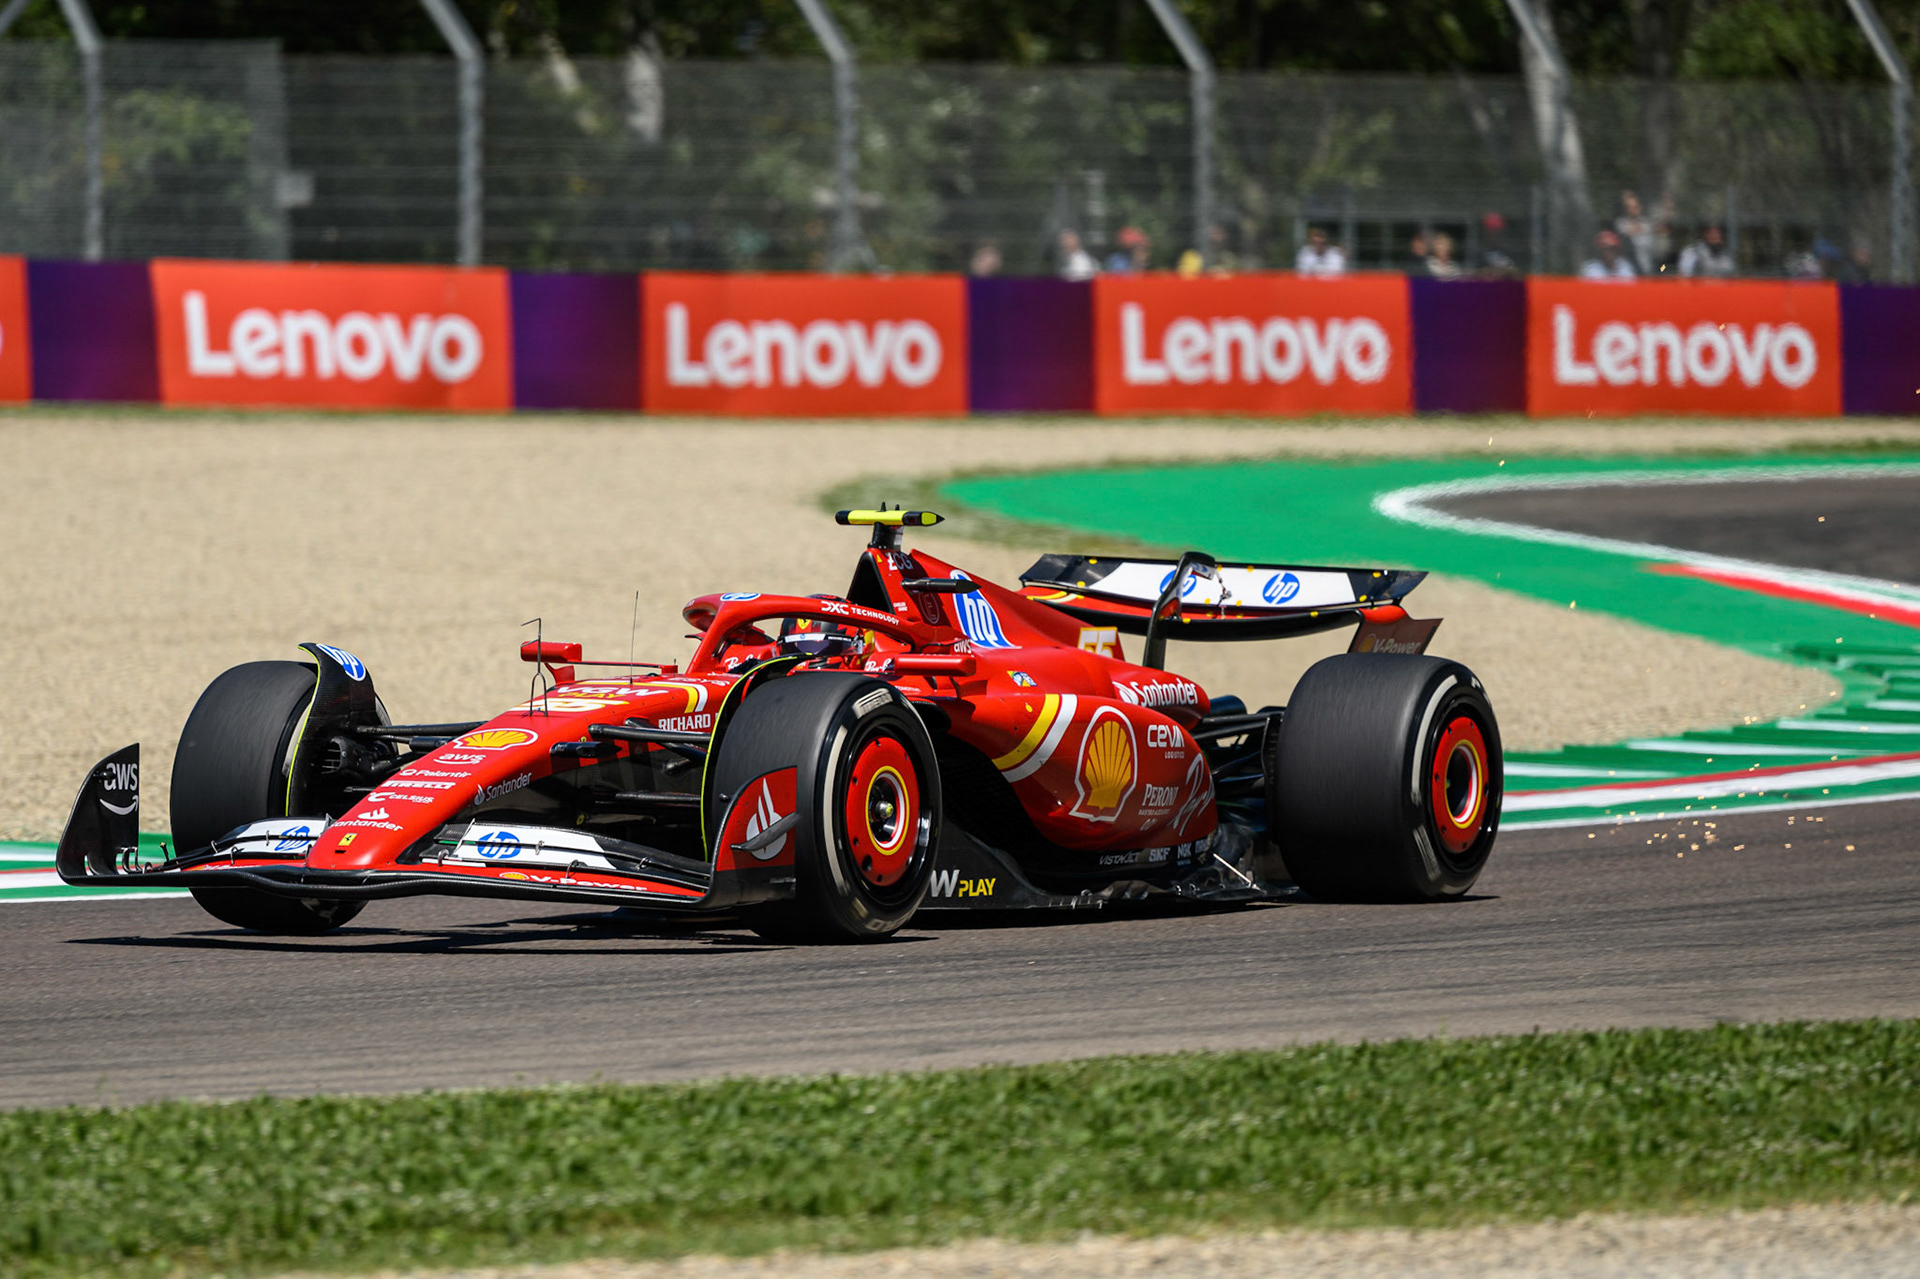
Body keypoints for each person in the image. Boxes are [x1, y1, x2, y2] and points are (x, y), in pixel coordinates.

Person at [1614, 189, 1655, 274]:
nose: (1633, 210)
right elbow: (1624, 235)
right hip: (1630, 271)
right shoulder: (1620, 224)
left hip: (1651, 268)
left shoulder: (1647, 223)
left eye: (1635, 207)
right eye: (1629, 207)